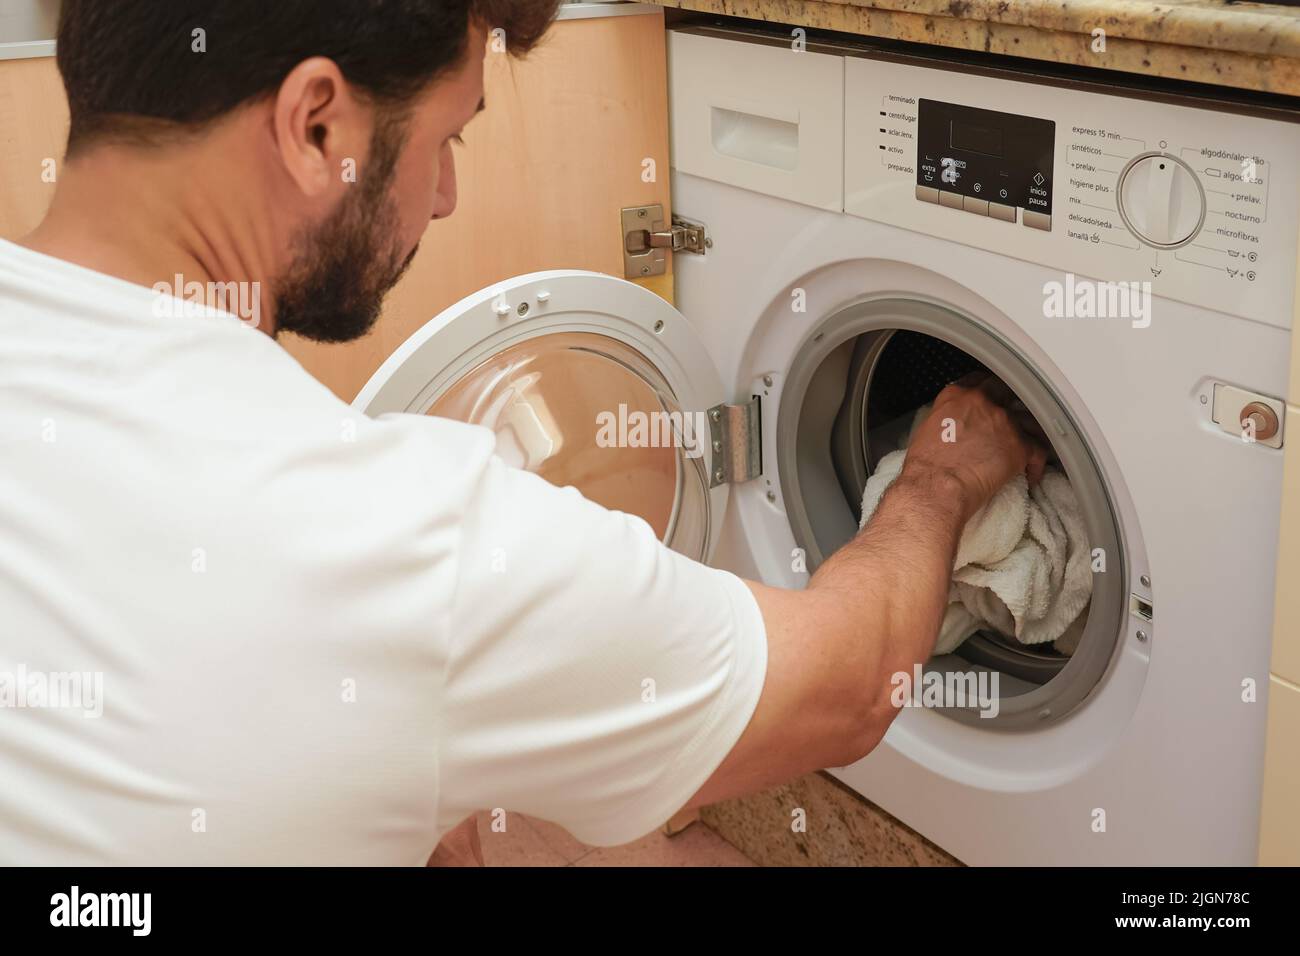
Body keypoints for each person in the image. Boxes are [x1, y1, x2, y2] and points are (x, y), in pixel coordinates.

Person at [0, 0, 1044, 865]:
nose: (446, 194)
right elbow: (851, 683)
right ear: (317, 126)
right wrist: (940, 476)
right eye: (446, 135)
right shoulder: (410, 538)